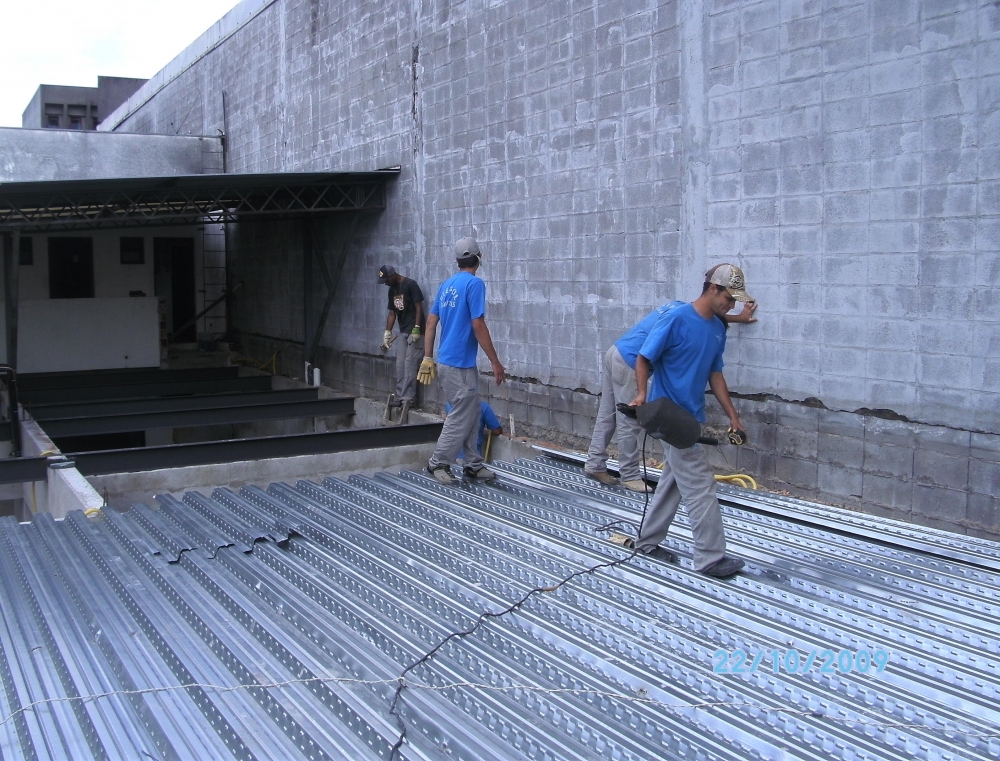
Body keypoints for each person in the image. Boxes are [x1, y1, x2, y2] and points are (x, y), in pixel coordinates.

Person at [629, 263, 753, 579]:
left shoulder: (716, 328)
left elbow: (715, 375)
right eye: (729, 297)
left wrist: (733, 417)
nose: (732, 305)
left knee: (673, 483)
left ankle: (647, 541)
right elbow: (644, 357)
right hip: (671, 417)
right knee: (700, 486)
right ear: (713, 288)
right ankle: (710, 558)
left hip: (693, 418)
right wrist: (642, 394)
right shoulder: (676, 318)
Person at [586, 296, 758, 492]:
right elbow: (710, 319)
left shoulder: (679, 307)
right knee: (631, 421)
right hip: (631, 361)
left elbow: (713, 318)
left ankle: (594, 463)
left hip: (617, 351)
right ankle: (630, 475)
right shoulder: (682, 317)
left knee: (607, 414)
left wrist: (739, 318)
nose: (728, 308)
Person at [418, 237, 506, 485]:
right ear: (479, 257)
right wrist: (495, 362)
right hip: (459, 363)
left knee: (472, 412)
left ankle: (473, 465)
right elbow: (477, 323)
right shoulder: (475, 284)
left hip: (450, 361)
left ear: (457, 261)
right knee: (460, 415)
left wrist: (427, 357)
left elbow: (431, 323)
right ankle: (438, 463)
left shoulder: (447, 285)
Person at [378, 265, 425, 408]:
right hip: (403, 330)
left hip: (415, 331)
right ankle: (399, 396)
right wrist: (387, 333)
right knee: (400, 365)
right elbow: (392, 313)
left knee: (410, 364)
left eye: (386, 280)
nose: (385, 283)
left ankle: (408, 399)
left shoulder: (410, 284)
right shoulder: (392, 291)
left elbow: (418, 307)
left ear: (393, 275)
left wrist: (417, 328)